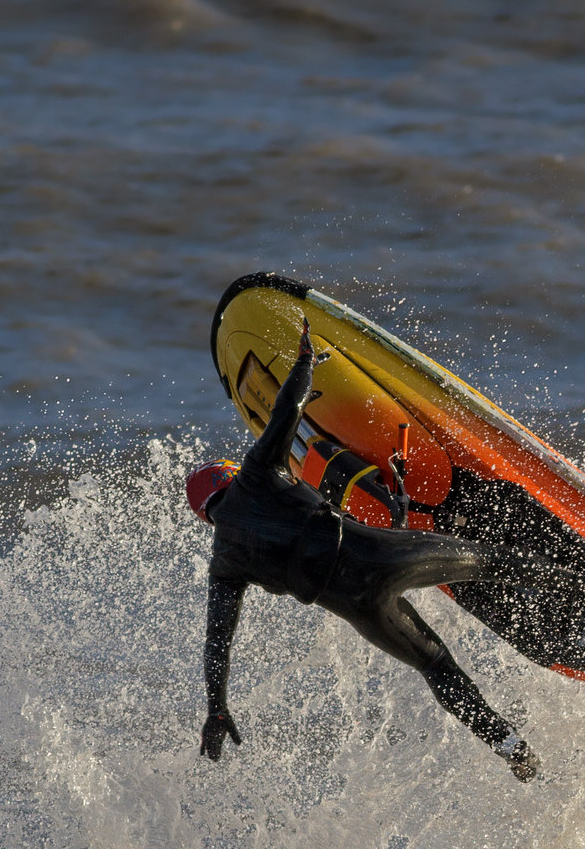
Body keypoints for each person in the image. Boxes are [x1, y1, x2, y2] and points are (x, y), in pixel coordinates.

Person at [187, 321, 542, 781]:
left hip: (361, 608)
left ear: (208, 517)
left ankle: (513, 748)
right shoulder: (255, 473)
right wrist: (305, 362)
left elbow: (217, 643)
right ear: (227, 477)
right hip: (380, 555)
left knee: (435, 665)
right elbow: (286, 411)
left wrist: (216, 707)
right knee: (491, 562)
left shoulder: (224, 566)